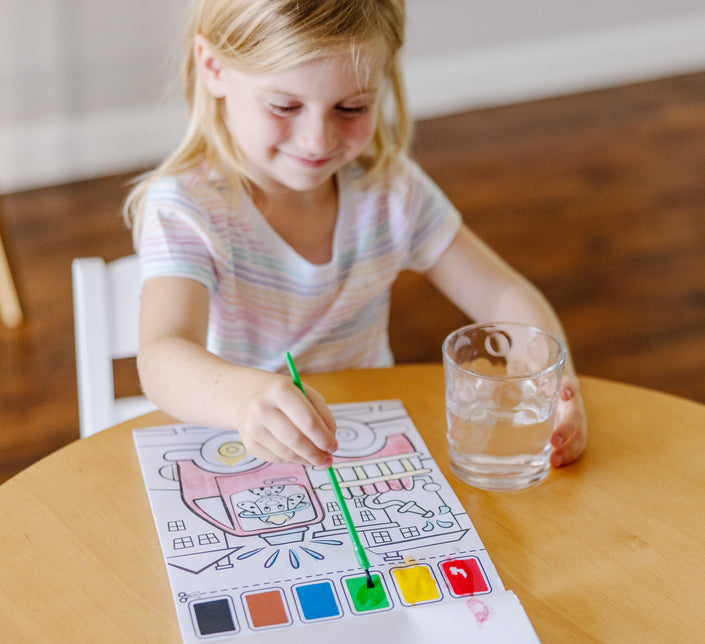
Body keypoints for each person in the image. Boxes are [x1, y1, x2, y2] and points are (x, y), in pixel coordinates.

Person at [125, 0, 586, 472]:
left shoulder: (391, 190)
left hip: (363, 449)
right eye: (285, 105)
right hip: (236, 452)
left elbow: (503, 294)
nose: (318, 140)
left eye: (352, 107)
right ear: (213, 67)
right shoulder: (188, 210)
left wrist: (555, 386)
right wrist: (244, 398)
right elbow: (164, 356)